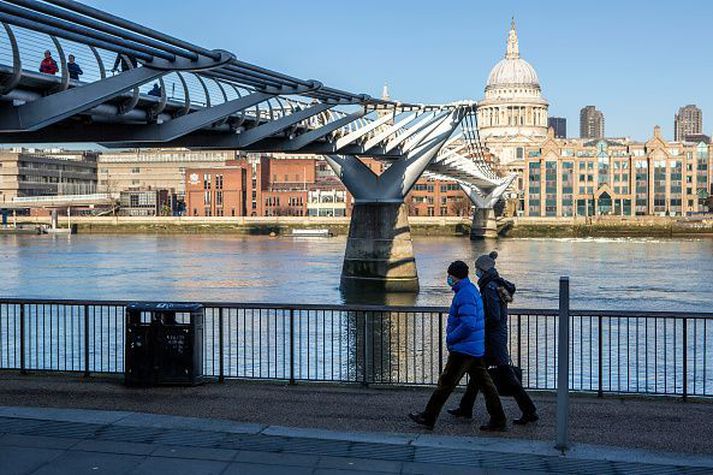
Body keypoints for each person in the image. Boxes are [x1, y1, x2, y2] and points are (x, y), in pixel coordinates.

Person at [409, 260, 506, 431]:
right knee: (486, 385)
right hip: (473, 347)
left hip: (463, 348)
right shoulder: (470, 290)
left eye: (450, 276)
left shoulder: (464, 294)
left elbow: (467, 324)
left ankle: (428, 417)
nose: (448, 279)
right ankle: (498, 419)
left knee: (445, 383)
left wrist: (451, 338)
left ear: (455, 276)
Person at [448, 251, 539, 425]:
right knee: (477, 373)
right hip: (496, 337)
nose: (476, 272)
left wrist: (479, 324)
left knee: (505, 375)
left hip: (493, 339)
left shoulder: (489, 288)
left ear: (483, 269)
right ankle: (465, 407)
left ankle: (529, 411)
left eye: (477, 269)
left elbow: (494, 316)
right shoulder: (498, 284)